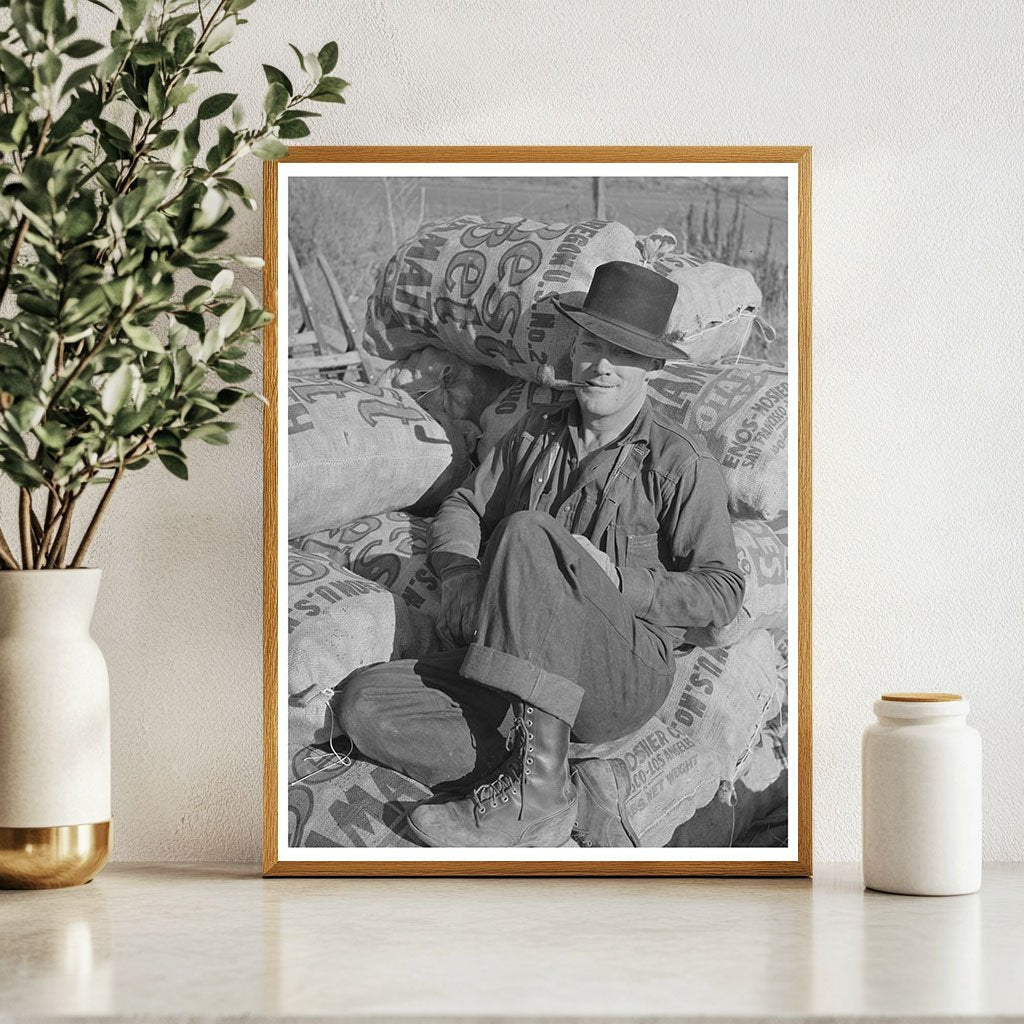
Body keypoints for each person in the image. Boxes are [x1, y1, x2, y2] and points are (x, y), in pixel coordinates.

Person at [338, 261, 744, 848]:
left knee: (526, 532)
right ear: (573, 349)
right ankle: (545, 775)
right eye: (591, 344)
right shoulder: (535, 434)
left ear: (652, 366)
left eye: (623, 353)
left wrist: (621, 581)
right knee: (367, 703)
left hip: (618, 672)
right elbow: (462, 506)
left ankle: (535, 791)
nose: (602, 365)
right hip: (512, 663)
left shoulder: (679, 463)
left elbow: (724, 592)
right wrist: (460, 576)